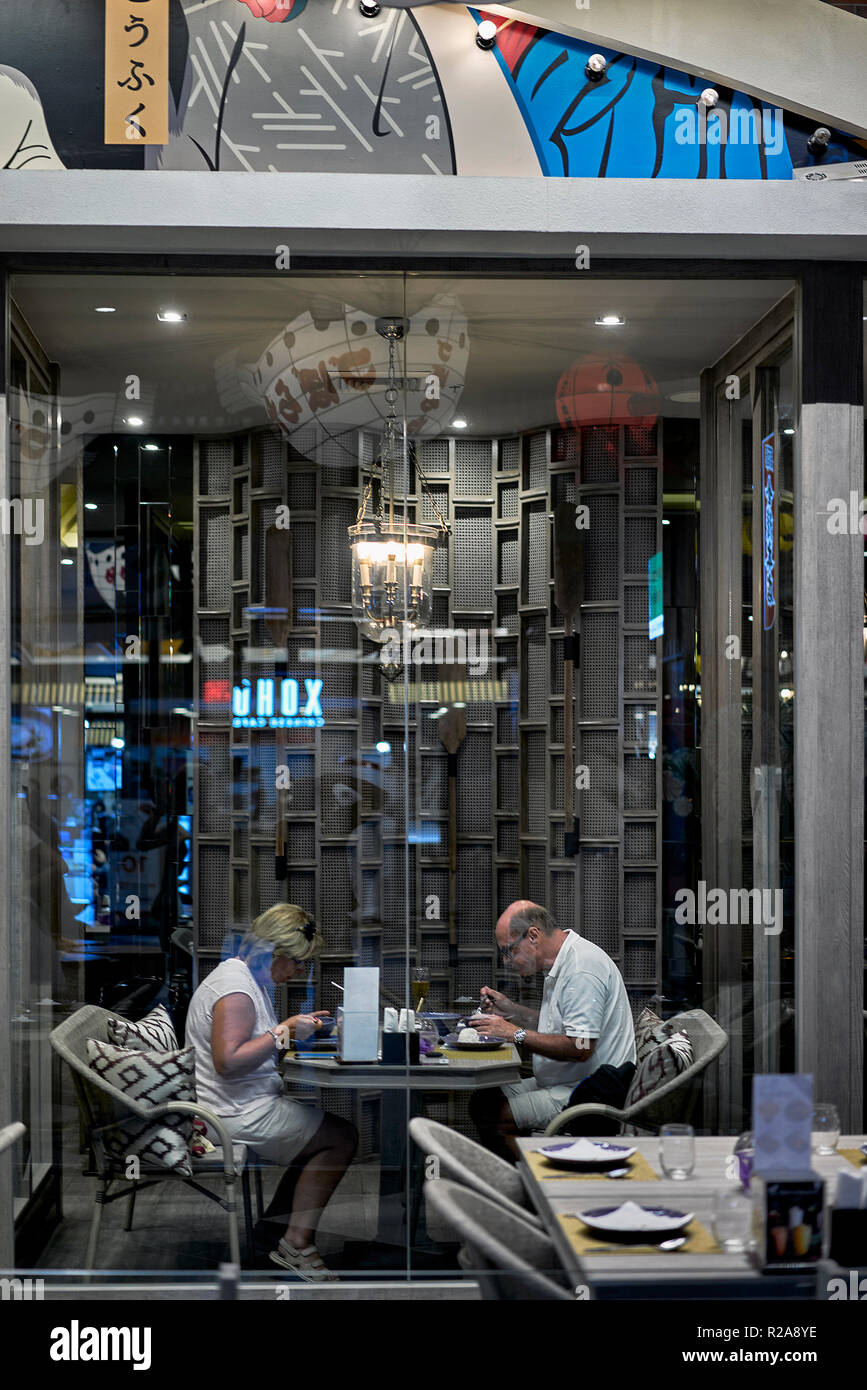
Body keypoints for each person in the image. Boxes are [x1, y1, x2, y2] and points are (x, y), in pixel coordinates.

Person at [185, 904, 357, 1280]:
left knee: (317, 1135)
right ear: (277, 954)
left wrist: (293, 1032)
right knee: (340, 1138)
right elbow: (228, 1061)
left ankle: (273, 1232)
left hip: (237, 1104)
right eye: (298, 963)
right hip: (229, 1114)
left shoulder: (243, 978)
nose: (300, 972)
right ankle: (295, 1244)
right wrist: (285, 1031)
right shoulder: (236, 989)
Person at [467, 900, 636, 1158]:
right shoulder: (561, 962)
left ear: (533, 935)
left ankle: (531, 1186)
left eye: (509, 950)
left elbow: (580, 1048)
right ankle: (526, 1171)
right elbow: (559, 1025)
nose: (507, 961)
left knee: (495, 1117)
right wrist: (513, 1012)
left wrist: (514, 1033)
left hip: (583, 1091)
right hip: (563, 1081)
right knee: (483, 1101)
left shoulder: (581, 969)